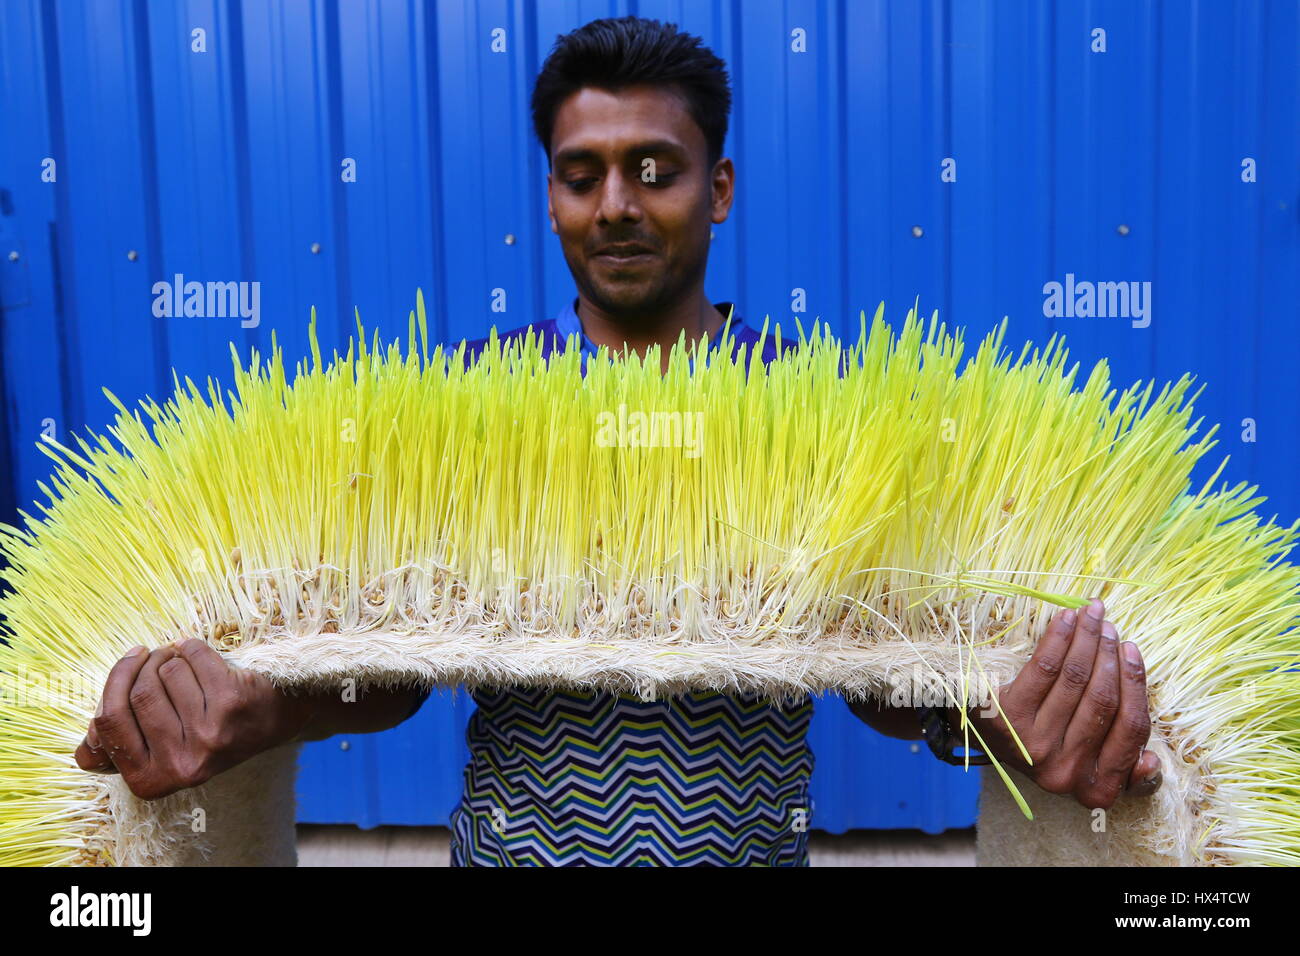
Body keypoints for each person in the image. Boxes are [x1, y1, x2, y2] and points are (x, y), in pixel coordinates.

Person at [75, 15, 1162, 866]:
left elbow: (877, 664)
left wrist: (984, 717)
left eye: (654, 167)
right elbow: (394, 663)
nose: (616, 204)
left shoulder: (816, 403)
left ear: (718, 188)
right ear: (550, 197)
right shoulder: (472, 398)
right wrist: (262, 706)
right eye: (581, 171)